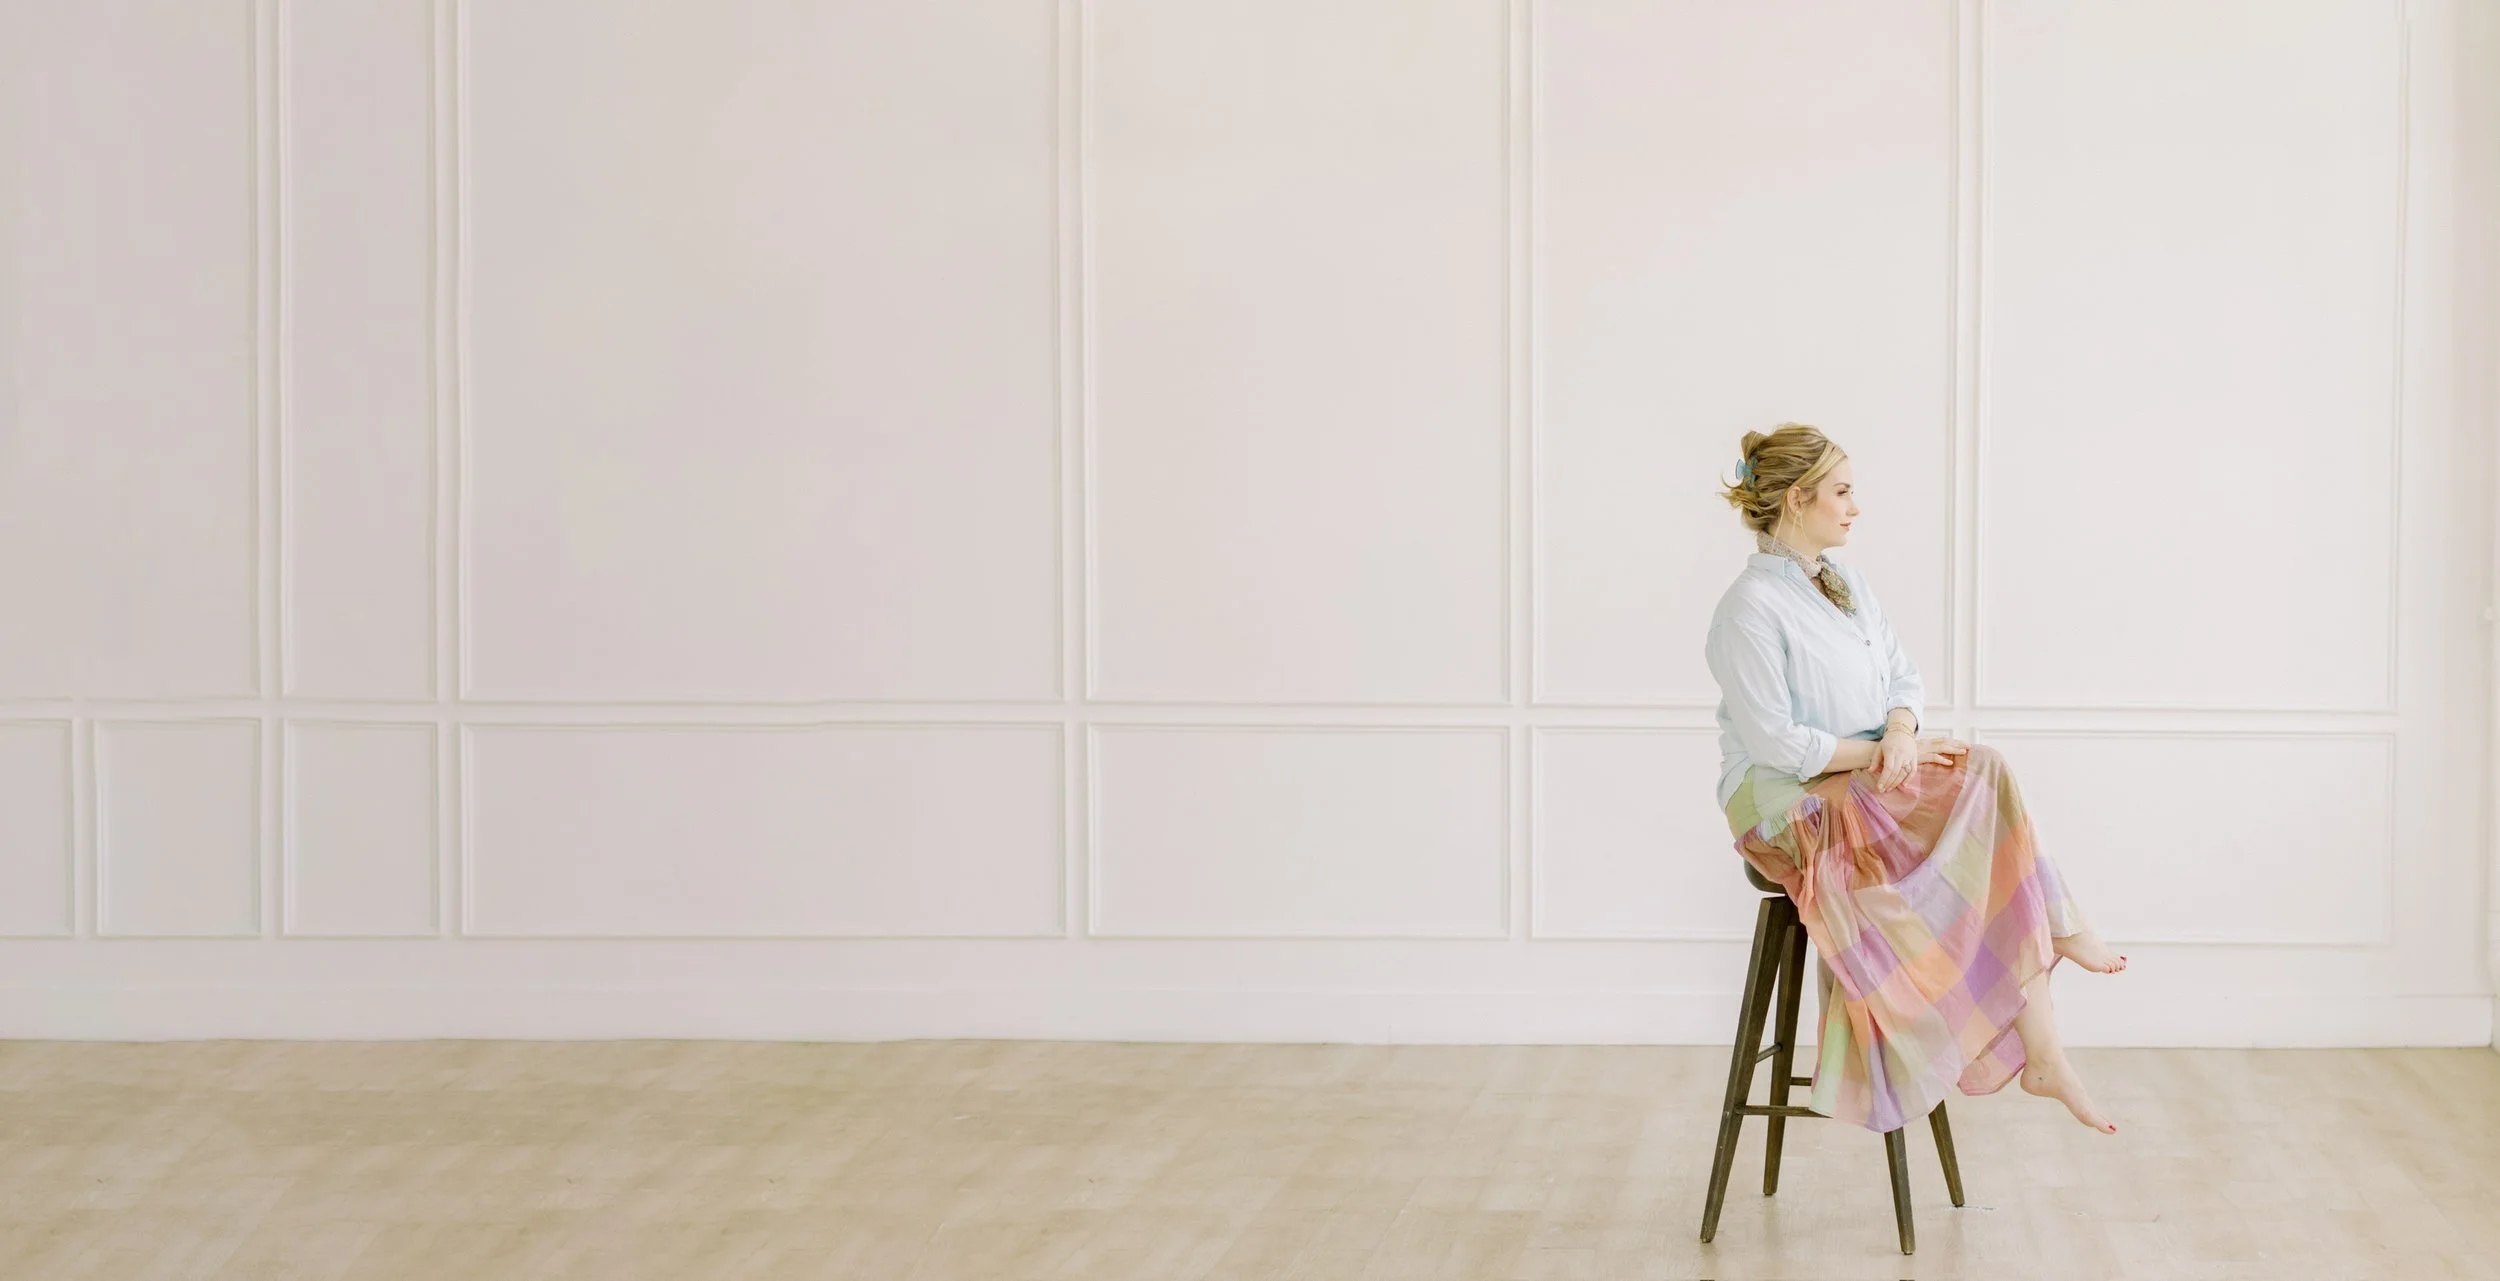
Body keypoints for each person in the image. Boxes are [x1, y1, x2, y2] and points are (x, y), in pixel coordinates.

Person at [1705, 422, 2127, 1136]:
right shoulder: (1749, 608)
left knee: (1982, 766)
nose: (1854, 506)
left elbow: (1903, 674)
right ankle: (2054, 950)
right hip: (1781, 800)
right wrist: (1876, 756)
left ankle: (2047, 1040)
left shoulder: (1847, 587)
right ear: (1798, 499)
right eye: (1841, 492)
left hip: (1867, 770)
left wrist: (1900, 731)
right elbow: (1776, 744)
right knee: (1968, 789)